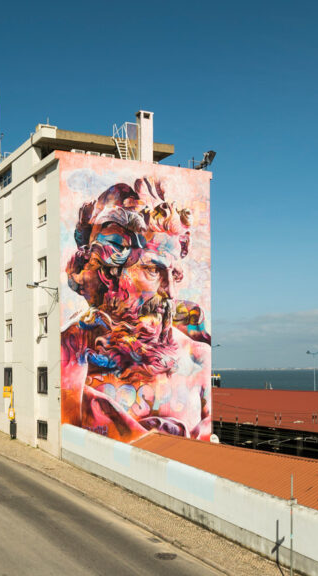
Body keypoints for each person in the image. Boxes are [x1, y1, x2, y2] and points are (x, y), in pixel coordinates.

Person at [61, 177, 211, 441]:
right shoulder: (71, 352)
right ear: (110, 273)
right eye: (153, 270)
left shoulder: (198, 359)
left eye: (174, 275)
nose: (170, 293)